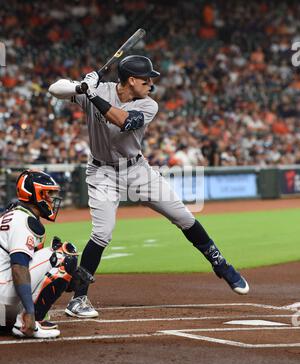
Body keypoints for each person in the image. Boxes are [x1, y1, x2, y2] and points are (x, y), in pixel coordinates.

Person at [48, 55, 249, 319]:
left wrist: (91, 94)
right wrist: (79, 87)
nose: (151, 85)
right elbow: (54, 89)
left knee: (183, 216)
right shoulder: (98, 89)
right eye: (147, 80)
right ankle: (79, 299)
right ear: (131, 80)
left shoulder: (147, 104)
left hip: (137, 170)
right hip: (102, 172)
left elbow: (123, 121)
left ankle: (221, 265)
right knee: (102, 233)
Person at [0, 169, 92, 338]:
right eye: (47, 193)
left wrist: (68, 279)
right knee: (64, 254)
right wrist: (29, 310)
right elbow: (19, 267)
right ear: (33, 194)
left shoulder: (12, 215)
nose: (51, 199)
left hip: (2, 305)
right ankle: (27, 321)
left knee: (54, 256)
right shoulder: (23, 221)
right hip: (2, 300)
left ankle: (15, 319)